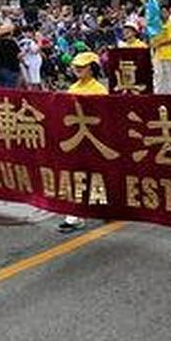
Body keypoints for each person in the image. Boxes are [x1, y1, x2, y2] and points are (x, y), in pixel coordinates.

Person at [58, 51, 107, 234]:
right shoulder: (72, 89)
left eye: (82, 66)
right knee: (77, 175)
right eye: (75, 66)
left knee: (97, 175)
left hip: (95, 140)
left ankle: (103, 207)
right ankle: (74, 216)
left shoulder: (99, 90)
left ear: (92, 68)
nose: (77, 69)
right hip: (76, 140)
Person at [151, 6, 171, 94]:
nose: (163, 14)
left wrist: (160, 44)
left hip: (169, 54)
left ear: (168, 13)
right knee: (158, 74)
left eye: (165, 12)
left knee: (170, 76)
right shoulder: (157, 25)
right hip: (158, 55)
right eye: (162, 12)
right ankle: (157, 93)